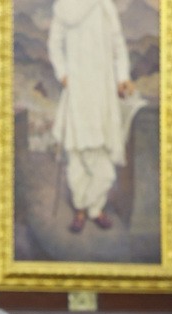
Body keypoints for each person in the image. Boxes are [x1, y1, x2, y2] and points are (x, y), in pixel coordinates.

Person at [48, 0, 136, 233]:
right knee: (77, 156)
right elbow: (54, 44)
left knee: (102, 158)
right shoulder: (64, 7)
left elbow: (118, 45)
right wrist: (63, 74)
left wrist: (122, 78)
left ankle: (92, 209)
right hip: (77, 90)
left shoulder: (105, 5)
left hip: (102, 89)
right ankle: (82, 209)